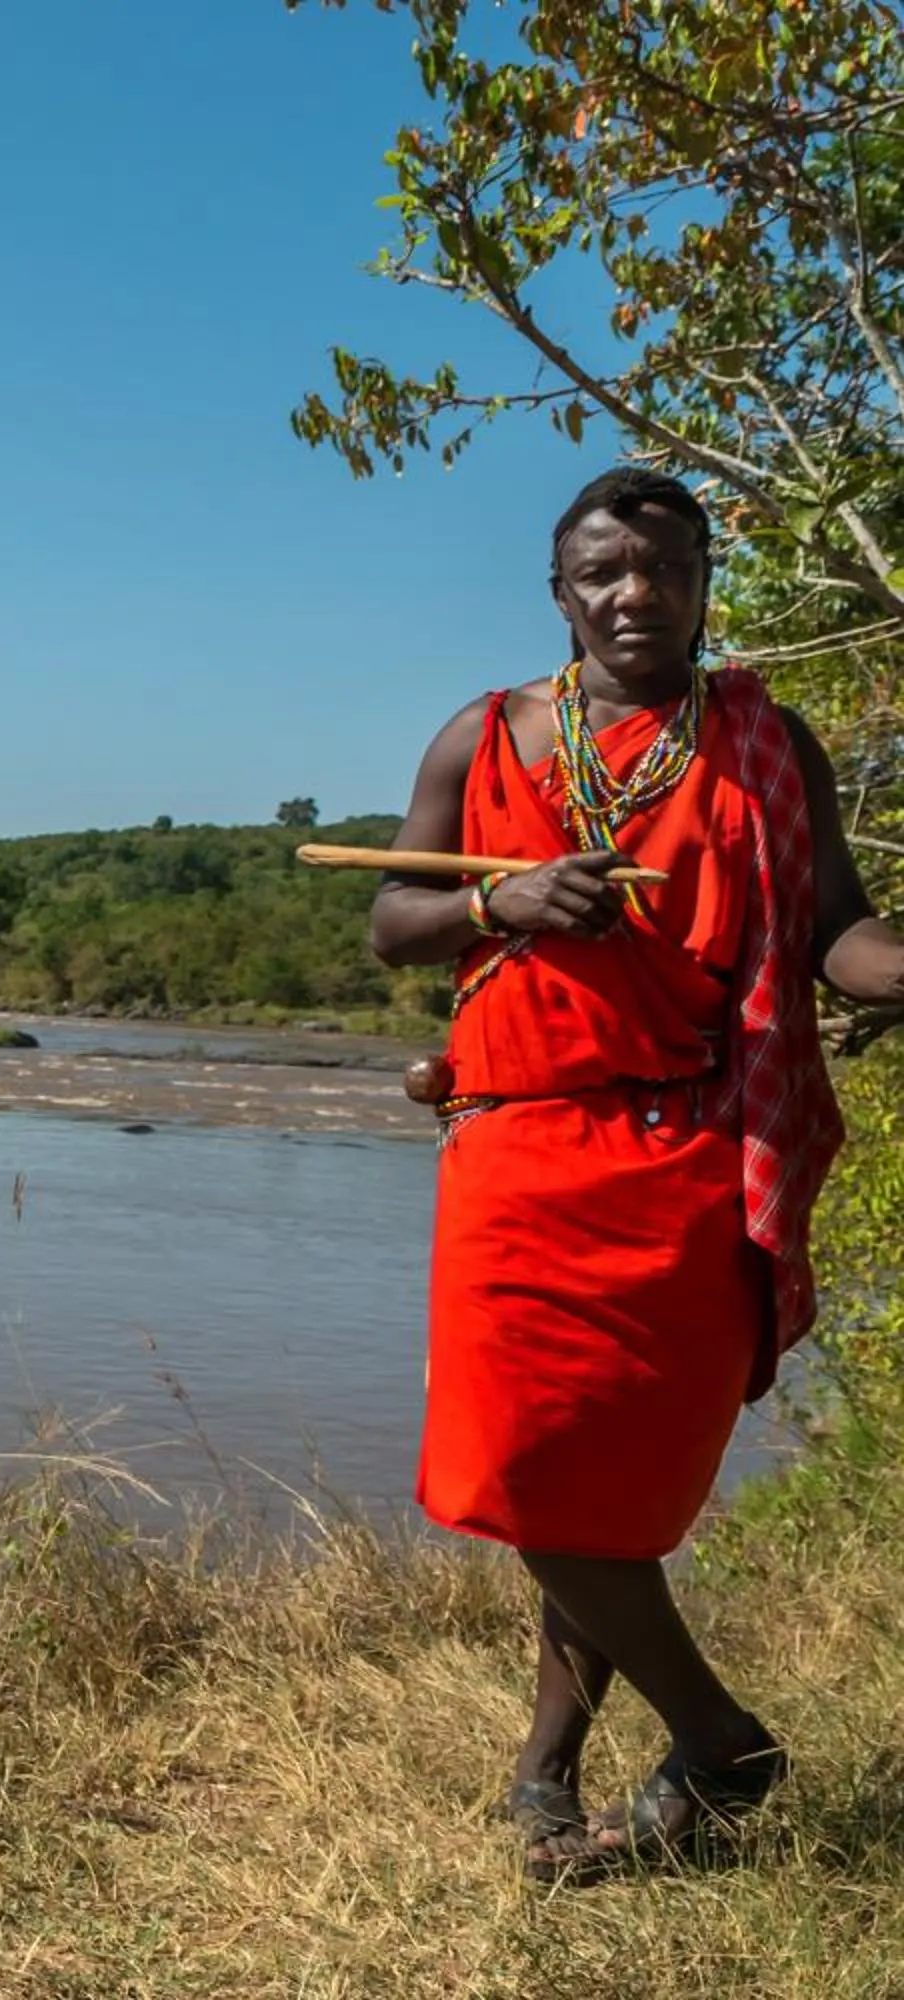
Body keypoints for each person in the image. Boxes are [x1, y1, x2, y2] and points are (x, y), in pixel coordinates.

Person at [369, 465, 904, 1881]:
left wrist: (894, 969)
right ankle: (722, 1740)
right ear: (560, 594)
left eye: (662, 568)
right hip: (518, 1149)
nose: (633, 594)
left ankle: (549, 1774)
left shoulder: (768, 742)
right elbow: (391, 919)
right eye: (602, 572)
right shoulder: (481, 737)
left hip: (692, 1158)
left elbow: (833, 936)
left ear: (704, 581)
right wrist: (504, 898)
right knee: (532, 1472)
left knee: (603, 1491)